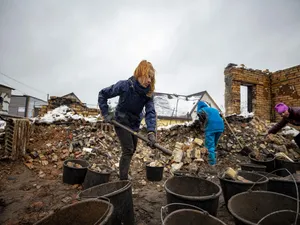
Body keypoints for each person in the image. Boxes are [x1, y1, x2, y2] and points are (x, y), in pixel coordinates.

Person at [98, 60, 157, 180]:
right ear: (140, 74)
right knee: (128, 149)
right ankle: (123, 178)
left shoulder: (148, 94)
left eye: (151, 77)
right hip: (121, 121)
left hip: (134, 123)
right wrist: (106, 114)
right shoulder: (125, 85)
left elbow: (150, 112)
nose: (149, 80)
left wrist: (151, 131)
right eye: (148, 76)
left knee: (133, 148)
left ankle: (122, 173)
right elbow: (103, 94)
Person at [196, 101, 224, 166]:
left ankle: (211, 163)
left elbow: (201, 117)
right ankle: (210, 156)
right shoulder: (214, 109)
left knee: (210, 146)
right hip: (220, 127)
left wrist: (202, 124)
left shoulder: (201, 110)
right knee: (213, 144)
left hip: (211, 128)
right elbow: (219, 116)